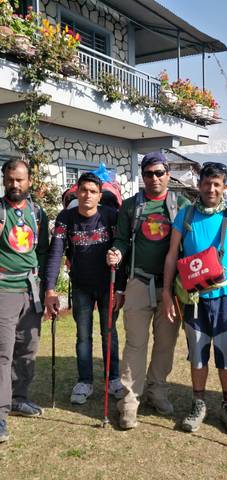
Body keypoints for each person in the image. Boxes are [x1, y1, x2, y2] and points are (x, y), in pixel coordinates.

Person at [163, 162, 227, 436]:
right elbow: (171, 255)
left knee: (226, 355)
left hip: (226, 297)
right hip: (194, 299)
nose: (211, 189)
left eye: (217, 184)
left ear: (224, 187)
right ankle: (198, 403)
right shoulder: (185, 216)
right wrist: (166, 293)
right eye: (207, 183)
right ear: (199, 185)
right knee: (198, 355)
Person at [107, 151, 187, 430]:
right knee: (135, 344)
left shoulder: (181, 205)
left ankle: (157, 390)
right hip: (139, 283)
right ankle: (129, 401)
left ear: (168, 174)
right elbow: (121, 240)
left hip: (171, 288)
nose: (154, 178)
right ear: (142, 176)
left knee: (166, 344)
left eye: (159, 172)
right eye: (149, 173)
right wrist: (117, 251)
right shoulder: (130, 206)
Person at [45, 172, 125, 405]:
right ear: (76, 192)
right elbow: (56, 252)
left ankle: (113, 379)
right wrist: (51, 289)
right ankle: (85, 381)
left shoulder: (111, 216)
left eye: (93, 191)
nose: (87, 195)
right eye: (83, 190)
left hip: (107, 285)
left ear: (100, 195)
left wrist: (120, 289)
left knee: (110, 334)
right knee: (83, 336)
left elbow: (121, 250)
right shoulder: (65, 218)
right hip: (81, 287)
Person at [0, 159, 49, 443]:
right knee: (3, 354)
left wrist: (44, 287)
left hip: (31, 291)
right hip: (4, 289)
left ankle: (19, 398)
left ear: (29, 181)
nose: (14, 184)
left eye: (19, 179)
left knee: (27, 349)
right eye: (10, 179)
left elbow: (42, 251)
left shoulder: (36, 212)